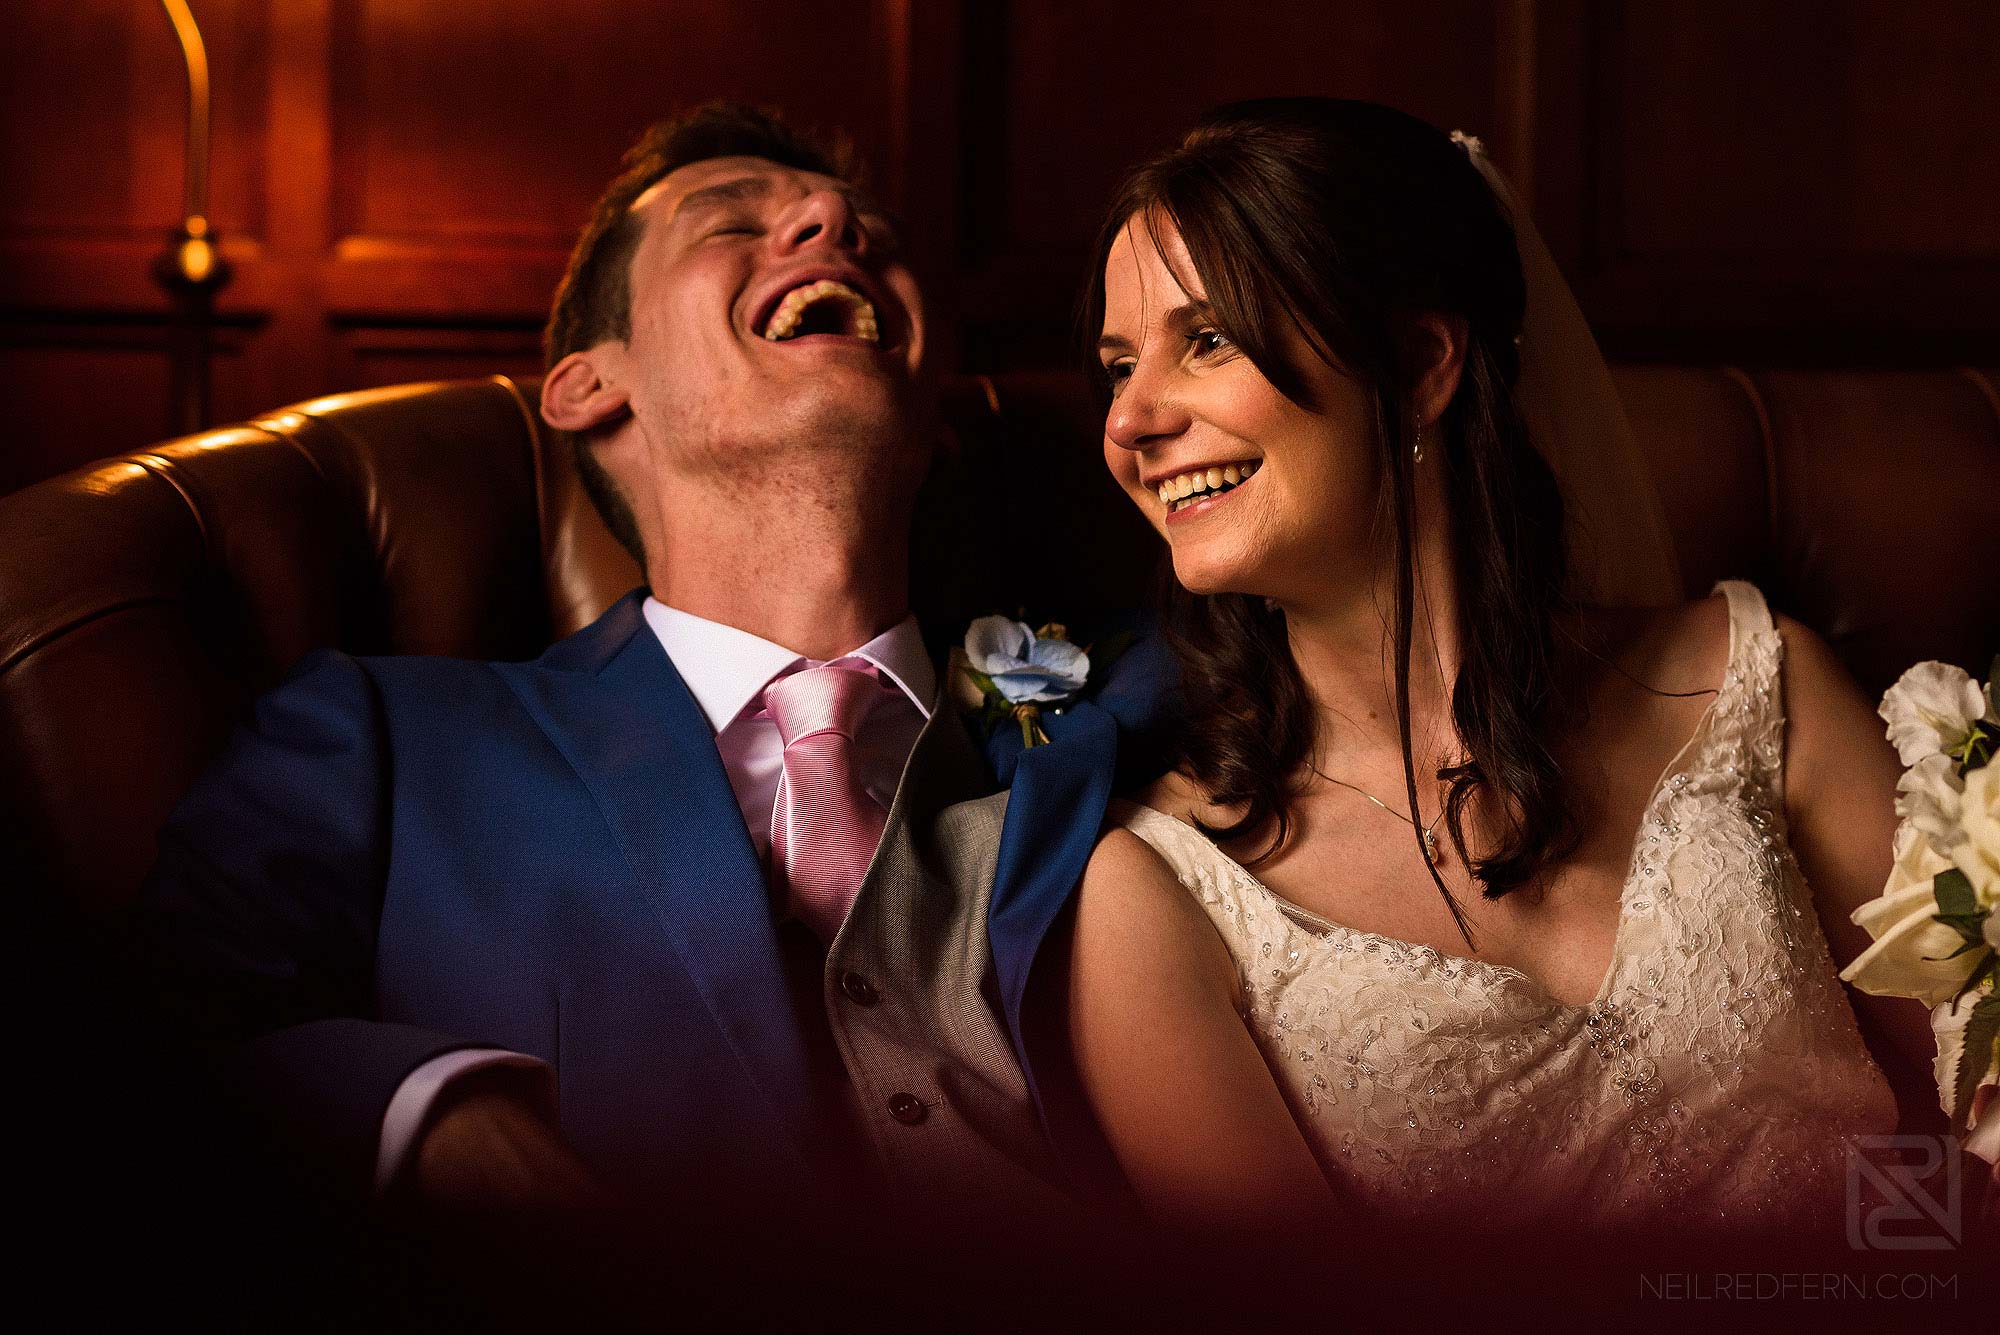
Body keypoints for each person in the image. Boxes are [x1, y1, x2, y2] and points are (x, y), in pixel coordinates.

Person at [141, 103, 1156, 1310]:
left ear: (936, 414)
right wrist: (438, 1122)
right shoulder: (379, 740)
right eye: (731, 222)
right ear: (586, 386)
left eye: (862, 231)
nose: (834, 224)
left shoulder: (1142, 699)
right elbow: (122, 1043)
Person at [1063, 98, 1943, 1250]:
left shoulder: (1757, 685)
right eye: (1118, 367)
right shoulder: (1155, 893)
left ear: (1421, 362)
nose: (1129, 418)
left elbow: (1962, 1103)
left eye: (1208, 339)